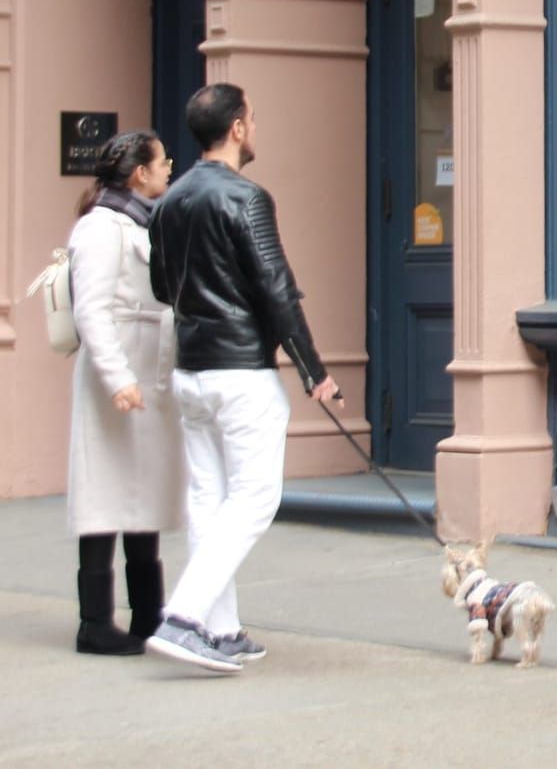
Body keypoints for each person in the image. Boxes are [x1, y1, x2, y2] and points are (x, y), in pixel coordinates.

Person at [144, 83, 340, 673]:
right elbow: (275, 288)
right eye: (252, 118)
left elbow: (160, 287)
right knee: (254, 499)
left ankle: (220, 629)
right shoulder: (247, 198)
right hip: (240, 372)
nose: (255, 127)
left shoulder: (170, 200)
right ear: (235, 129)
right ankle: (183, 619)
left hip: (192, 369)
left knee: (209, 498)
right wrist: (315, 373)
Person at [66, 129, 184, 656]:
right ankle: (94, 622)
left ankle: (147, 616)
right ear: (139, 172)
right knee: (104, 492)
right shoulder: (100, 228)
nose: (168, 167)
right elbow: (90, 309)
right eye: (161, 161)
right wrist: (117, 379)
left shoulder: (142, 221)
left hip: (148, 372)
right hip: (118, 375)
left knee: (143, 489)